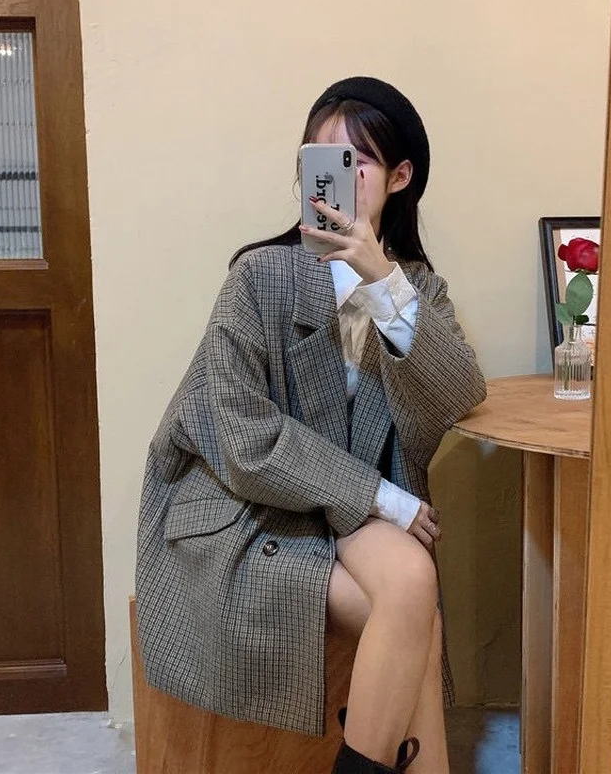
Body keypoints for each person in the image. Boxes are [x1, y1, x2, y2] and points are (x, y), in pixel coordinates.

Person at [135, 76, 486, 774]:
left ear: (400, 177)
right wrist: (383, 497)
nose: (338, 179)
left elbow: (457, 392)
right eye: (323, 161)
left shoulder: (417, 287)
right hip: (250, 511)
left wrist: (380, 279)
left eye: (359, 162)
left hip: (345, 514)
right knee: (415, 601)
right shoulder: (259, 275)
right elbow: (241, 436)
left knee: (411, 586)